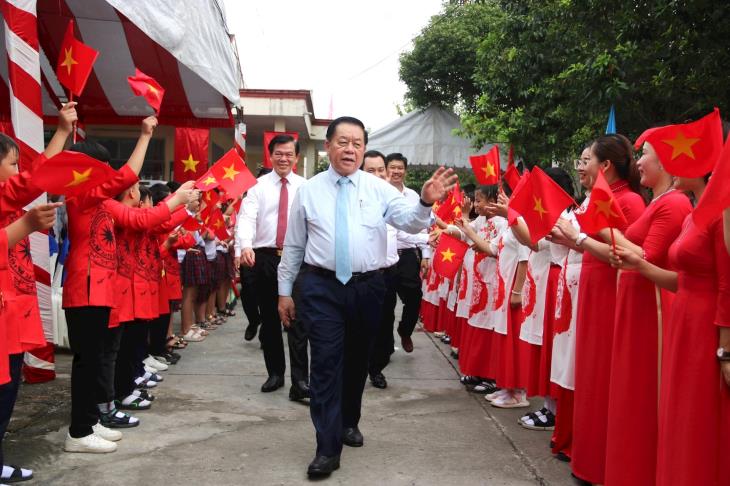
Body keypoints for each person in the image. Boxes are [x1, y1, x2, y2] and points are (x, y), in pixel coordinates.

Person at [277, 116, 456, 478]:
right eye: (343, 142)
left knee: (357, 360)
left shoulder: (379, 189)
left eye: (357, 143)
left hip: (368, 287)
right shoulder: (309, 191)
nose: (350, 149)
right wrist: (284, 292)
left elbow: (410, 222)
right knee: (325, 363)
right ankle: (327, 448)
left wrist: (424, 201)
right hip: (321, 287)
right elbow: (294, 246)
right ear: (328, 146)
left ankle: (348, 421)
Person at [612, 170, 730, 486]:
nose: (673, 169)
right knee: (678, 415)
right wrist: (640, 265)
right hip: (684, 321)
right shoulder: (694, 215)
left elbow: (726, 285)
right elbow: (682, 282)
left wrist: (725, 349)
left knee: (697, 419)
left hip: (705, 329)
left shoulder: (721, 215)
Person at [550, 134, 645, 485]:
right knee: (587, 376)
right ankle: (587, 458)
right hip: (591, 292)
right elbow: (591, 246)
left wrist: (576, 238)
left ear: (605, 165)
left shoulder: (629, 201)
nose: (582, 166)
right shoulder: (603, 199)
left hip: (609, 296)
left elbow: (627, 256)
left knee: (601, 378)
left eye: (586, 160)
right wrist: (569, 239)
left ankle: (602, 462)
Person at [0, 102, 77, 482]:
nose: (18, 172)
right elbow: (31, 182)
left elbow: (30, 181)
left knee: (8, 388)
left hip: (12, 314)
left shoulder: (8, 201)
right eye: (13, 163)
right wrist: (27, 225)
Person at [234, 134, 309, 400]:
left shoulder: (306, 187)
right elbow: (247, 217)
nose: (283, 158)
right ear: (271, 155)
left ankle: (300, 381)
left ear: (296, 157)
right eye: (279, 153)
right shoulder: (257, 186)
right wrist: (245, 246)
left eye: (289, 154)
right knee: (269, 320)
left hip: (297, 258)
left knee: (297, 321)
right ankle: (275, 374)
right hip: (265, 258)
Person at [384, 153, 431, 353]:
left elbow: (423, 226)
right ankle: (385, 346)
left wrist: (426, 255)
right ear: (386, 169)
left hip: (408, 255)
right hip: (384, 256)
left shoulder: (413, 196)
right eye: (392, 167)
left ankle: (405, 331)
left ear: (405, 170)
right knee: (386, 304)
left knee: (414, 297)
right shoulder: (379, 193)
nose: (396, 171)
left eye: (400, 168)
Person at [361, 150, 399, 389]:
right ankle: (361, 367)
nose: (376, 175)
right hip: (363, 275)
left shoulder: (395, 200)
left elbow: (407, 230)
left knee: (385, 325)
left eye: (380, 170)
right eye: (370, 171)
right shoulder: (355, 199)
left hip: (389, 273)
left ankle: (377, 367)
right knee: (363, 325)